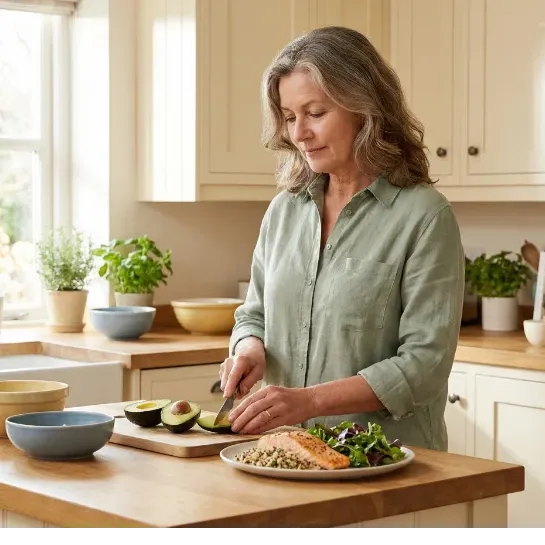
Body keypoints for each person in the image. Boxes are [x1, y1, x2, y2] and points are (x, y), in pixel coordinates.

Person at [218, 26, 465, 451]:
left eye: (314, 113)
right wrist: (250, 349)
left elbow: (425, 365)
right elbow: (253, 314)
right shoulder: (284, 211)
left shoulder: (425, 216)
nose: (298, 133)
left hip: (387, 464)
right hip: (286, 455)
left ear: (365, 110)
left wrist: (309, 401)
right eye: (290, 117)